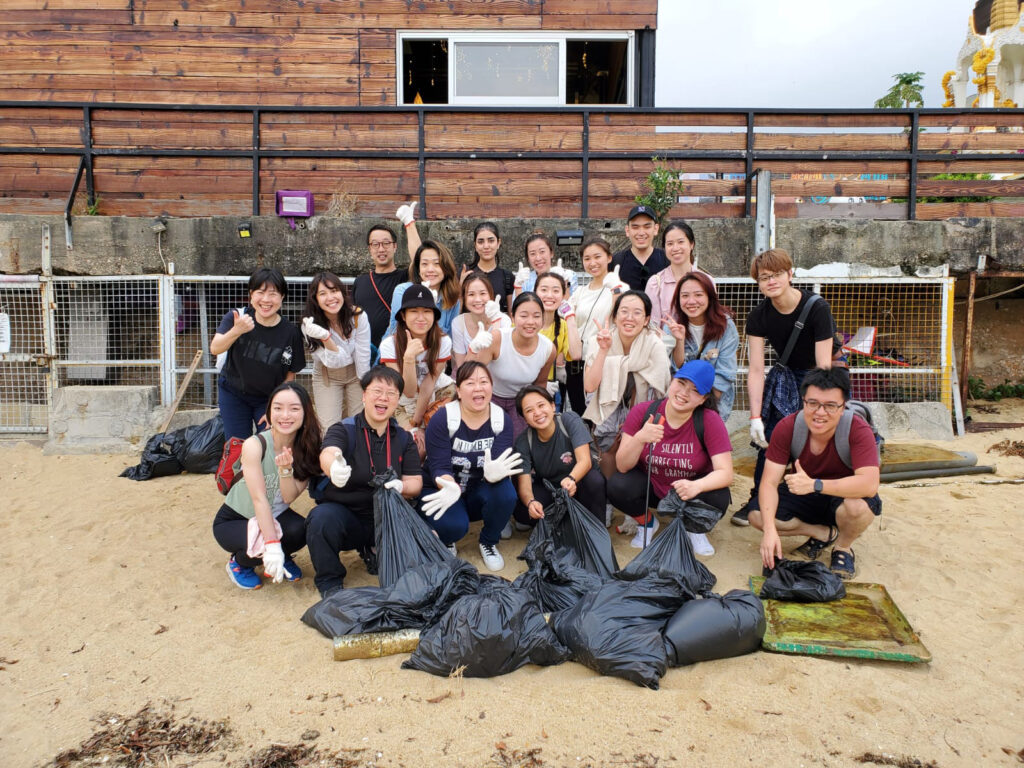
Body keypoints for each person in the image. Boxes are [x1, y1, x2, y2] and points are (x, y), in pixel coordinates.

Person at [732, 248, 839, 527]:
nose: (771, 281)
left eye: (777, 274)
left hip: (820, 376)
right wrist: (755, 416)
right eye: (764, 277)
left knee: (818, 436)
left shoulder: (817, 307)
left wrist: (815, 406)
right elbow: (756, 370)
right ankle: (757, 498)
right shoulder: (759, 316)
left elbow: (823, 366)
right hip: (786, 374)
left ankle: (822, 498)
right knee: (770, 437)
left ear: (790, 274)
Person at [748, 367, 881, 580]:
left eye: (830, 406)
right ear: (803, 401)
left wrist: (815, 484)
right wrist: (770, 530)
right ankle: (821, 532)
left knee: (857, 507)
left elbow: (869, 484)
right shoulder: (788, 427)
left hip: (840, 494)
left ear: (842, 407)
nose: (820, 412)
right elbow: (769, 483)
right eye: (813, 403)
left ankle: (843, 548)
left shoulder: (857, 429)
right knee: (757, 515)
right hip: (804, 493)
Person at [305, 366, 423, 598]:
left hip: (386, 516)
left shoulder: (403, 438)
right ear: (364, 395)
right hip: (346, 514)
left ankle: (373, 550)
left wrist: (402, 487)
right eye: (377, 391)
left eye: (391, 394)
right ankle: (330, 580)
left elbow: (415, 482)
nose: (383, 398)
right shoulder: (344, 429)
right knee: (320, 519)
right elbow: (328, 453)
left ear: (398, 400)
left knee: (422, 549)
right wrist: (333, 467)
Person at [608, 361, 734, 554]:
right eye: (681, 383)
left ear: (703, 399)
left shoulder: (709, 420)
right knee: (618, 485)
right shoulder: (643, 412)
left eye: (694, 390)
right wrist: (640, 438)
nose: (684, 393)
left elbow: (726, 474)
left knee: (718, 496)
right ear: (671, 381)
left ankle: (694, 529)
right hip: (652, 487)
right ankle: (647, 523)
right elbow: (622, 466)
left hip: (689, 491)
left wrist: (697, 486)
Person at [212, 382, 322, 589]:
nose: (285, 415)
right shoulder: (255, 444)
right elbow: (259, 499)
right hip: (236, 518)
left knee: (302, 530)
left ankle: (281, 552)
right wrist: (272, 545)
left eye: (294, 409)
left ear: (306, 413)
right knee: (262, 543)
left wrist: (286, 470)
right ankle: (239, 563)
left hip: (277, 514)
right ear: (269, 412)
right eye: (278, 408)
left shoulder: (308, 447)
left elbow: (288, 497)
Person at [418, 361, 521, 571]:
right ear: (458, 389)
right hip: (444, 489)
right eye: (470, 383)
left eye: (484, 382)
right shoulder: (443, 418)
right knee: (454, 526)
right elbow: (439, 466)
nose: (478, 388)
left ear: (491, 387)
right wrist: (449, 486)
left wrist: (494, 475)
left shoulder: (501, 420)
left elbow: (500, 461)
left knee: (506, 493)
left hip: (477, 489)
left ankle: (488, 542)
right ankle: (447, 538)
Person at [583, 290, 671, 478]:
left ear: (647, 319)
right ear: (615, 316)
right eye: (624, 311)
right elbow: (590, 386)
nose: (629, 318)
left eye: (637, 312)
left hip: (642, 410)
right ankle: (606, 498)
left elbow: (661, 390)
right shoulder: (598, 340)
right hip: (606, 410)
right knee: (607, 450)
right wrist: (603, 351)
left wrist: (633, 417)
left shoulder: (654, 344)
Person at [211, 267, 306, 440]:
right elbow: (215, 348)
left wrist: (276, 408)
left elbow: (289, 376)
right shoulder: (236, 317)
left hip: (268, 399)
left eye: (273, 294)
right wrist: (237, 330)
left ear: (282, 297)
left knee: (271, 442)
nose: (266, 300)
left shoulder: (290, 332)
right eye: (260, 293)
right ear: (251, 295)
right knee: (236, 445)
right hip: (233, 393)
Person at [513, 385, 605, 528]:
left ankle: (596, 529)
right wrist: (531, 502)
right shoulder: (524, 441)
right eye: (529, 411)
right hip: (551, 488)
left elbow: (585, 461)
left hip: (578, 482)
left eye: (541, 405)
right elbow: (524, 486)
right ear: (525, 419)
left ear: (552, 405)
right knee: (522, 512)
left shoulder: (569, 420)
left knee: (594, 481)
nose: (537, 413)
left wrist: (571, 479)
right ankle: (565, 522)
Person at [378, 285, 455, 452]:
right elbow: (409, 391)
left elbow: (429, 383)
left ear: (434, 316)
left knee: (436, 441)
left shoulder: (443, 342)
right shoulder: (389, 345)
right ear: (403, 316)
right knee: (414, 447)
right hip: (403, 401)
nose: (421, 317)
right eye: (413, 311)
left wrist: (418, 423)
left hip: (437, 393)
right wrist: (408, 358)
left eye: (427, 311)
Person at [473, 292, 557, 437]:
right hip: (490, 398)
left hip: (521, 401)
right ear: (512, 317)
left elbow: (540, 383)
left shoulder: (548, 348)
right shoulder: (497, 338)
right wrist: (473, 349)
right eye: (523, 316)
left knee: (518, 442)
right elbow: (472, 373)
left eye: (536, 316)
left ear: (543, 319)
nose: (530, 322)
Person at [301, 271, 371, 431]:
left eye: (334, 291)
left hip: (356, 373)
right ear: (315, 299)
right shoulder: (309, 325)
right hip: (327, 375)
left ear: (342, 292)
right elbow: (333, 361)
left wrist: (366, 385)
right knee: (330, 429)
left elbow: (362, 355)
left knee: (359, 425)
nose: (331, 298)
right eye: (323, 293)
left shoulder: (358, 316)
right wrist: (326, 337)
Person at [667, 271, 739, 421]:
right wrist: (679, 341)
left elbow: (725, 374)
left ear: (709, 297)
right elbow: (675, 369)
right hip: (678, 402)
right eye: (685, 296)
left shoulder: (726, 326)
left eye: (698, 295)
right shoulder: (672, 325)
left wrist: (700, 406)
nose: (691, 301)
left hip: (712, 403)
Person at [568, 237, 629, 414]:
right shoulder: (580, 291)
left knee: (602, 417)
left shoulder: (620, 287)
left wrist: (615, 290)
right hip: (578, 364)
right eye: (587, 259)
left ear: (609, 257)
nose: (592, 263)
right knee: (579, 416)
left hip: (604, 361)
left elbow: (619, 318)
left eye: (597, 257)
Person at [351, 224, 406, 359]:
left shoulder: (405, 277)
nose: (381, 249)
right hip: (365, 354)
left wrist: (409, 223)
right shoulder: (360, 281)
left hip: (396, 351)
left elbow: (419, 258)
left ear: (395, 246)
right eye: (375, 244)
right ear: (370, 248)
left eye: (386, 243)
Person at [386, 239, 461, 338]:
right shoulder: (403, 291)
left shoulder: (452, 299)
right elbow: (399, 332)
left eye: (437, 264)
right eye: (424, 264)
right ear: (418, 268)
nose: (430, 269)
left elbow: (451, 340)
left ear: (446, 267)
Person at [534, 271, 583, 409]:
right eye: (544, 290)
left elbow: (576, 354)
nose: (549, 295)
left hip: (547, 394)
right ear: (535, 292)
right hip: (520, 390)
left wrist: (570, 317)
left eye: (555, 291)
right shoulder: (525, 320)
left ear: (563, 296)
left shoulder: (562, 326)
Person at [645, 220, 703, 331]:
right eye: (670, 244)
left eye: (681, 242)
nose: (675, 248)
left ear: (691, 244)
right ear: (664, 248)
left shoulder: (706, 281)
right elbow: (653, 326)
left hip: (700, 346)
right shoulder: (655, 283)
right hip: (666, 345)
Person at [450, 271, 510, 370]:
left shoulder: (503, 320)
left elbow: (501, 360)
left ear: (491, 295)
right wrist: (473, 349)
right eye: (471, 294)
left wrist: (496, 323)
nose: (477, 299)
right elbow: (462, 368)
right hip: (471, 379)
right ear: (464, 298)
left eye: (482, 293)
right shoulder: (458, 323)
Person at [612, 205, 668, 292]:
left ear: (656, 229)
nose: (641, 233)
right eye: (635, 227)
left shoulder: (667, 260)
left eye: (647, 227)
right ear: (627, 230)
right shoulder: (616, 262)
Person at [467, 222, 516, 313]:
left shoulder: (507, 277)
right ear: (475, 245)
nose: (486, 246)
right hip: (469, 325)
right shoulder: (465, 274)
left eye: (491, 241)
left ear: (498, 243)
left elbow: (512, 314)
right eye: (481, 242)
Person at [512, 232, 578, 296]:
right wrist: (518, 286)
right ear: (528, 258)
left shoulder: (569, 276)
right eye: (532, 254)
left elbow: (571, 305)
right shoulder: (524, 280)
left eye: (542, 251)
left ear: (551, 253)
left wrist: (565, 282)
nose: (538, 258)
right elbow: (518, 306)